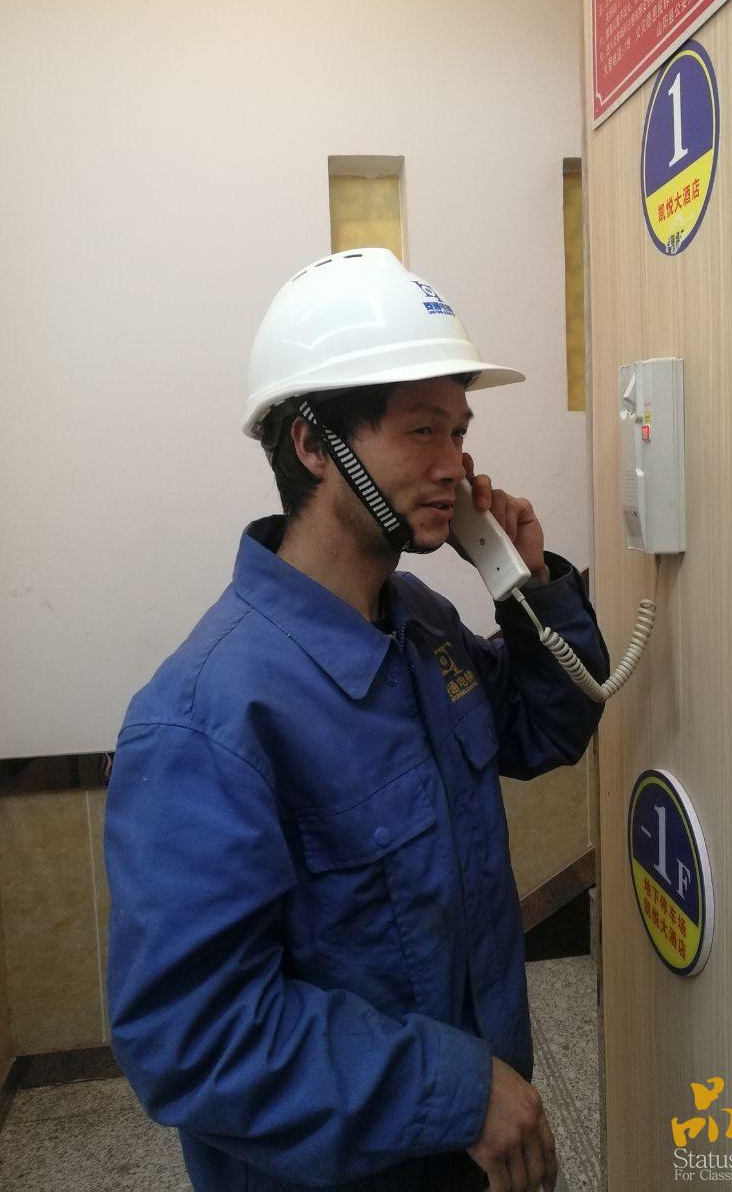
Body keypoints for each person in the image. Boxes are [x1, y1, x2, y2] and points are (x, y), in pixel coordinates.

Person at [105, 248, 609, 1192]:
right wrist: (458, 1091)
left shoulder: (421, 622)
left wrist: (528, 587)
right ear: (312, 444)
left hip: (470, 1154)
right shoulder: (205, 718)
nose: (454, 465)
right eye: (420, 430)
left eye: (458, 431)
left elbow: (548, 730)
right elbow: (193, 1037)